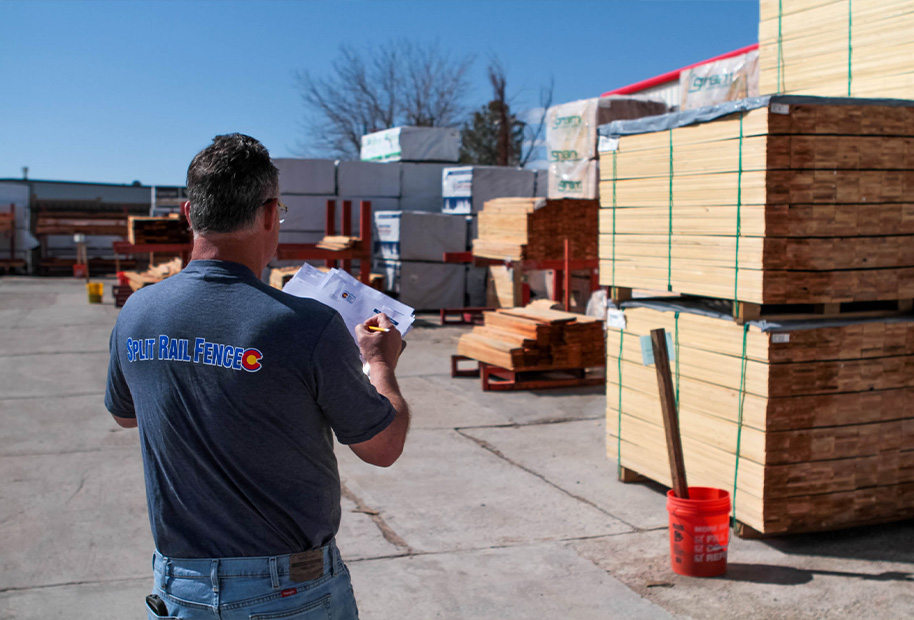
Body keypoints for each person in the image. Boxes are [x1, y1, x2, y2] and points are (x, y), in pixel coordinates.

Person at [105, 133, 409, 619]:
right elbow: (383, 446)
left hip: (180, 590)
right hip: (289, 594)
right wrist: (380, 362)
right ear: (269, 215)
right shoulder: (307, 326)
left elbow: (126, 415)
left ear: (189, 214)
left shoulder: (138, 312)